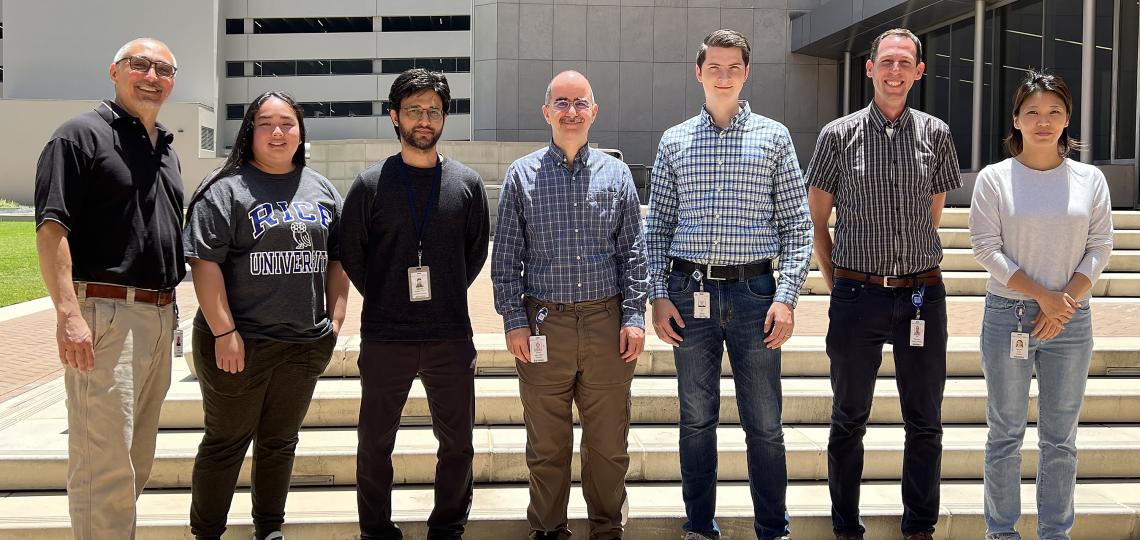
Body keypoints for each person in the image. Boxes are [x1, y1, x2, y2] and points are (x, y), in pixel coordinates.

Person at [644, 29, 812, 540]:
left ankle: (773, 529)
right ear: (698, 73)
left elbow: (798, 226)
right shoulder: (674, 141)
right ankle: (699, 526)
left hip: (755, 293)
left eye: (733, 67)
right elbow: (658, 228)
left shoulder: (774, 137)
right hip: (688, 291)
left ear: (746, 72)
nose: (723, 76)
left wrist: (786, 298)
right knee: (696, 419)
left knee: (764, 423)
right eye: (714, 67)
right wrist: (657, 295)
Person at [804, 28, 962, 540]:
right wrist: (839, 283)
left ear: (919, 72)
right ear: (870, 68)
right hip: (858, 295)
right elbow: (817, 220)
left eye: (905, 63)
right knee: (849, 416)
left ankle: (919, 526)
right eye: (887, 62)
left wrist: (907, 268)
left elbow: (931, 215)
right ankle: (846, 525)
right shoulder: (837, 135)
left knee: (925, 419)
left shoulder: (937, 134)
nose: (895, 71)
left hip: (921, 295)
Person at [34, 37, 184, 539]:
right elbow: (51, 229)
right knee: (104, 464)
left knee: (136, 458)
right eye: (139, 65)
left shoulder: (166, 148)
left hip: (159, 317)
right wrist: (68, 314)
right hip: (105, 314)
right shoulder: (79, 136)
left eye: (164, 69)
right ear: (114, 71)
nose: (152, 76)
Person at [183, 91, 348, 540]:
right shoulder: (225, 188)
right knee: (226, 442)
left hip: (303, 345)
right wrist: (224, 331)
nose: (278, 132)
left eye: (287, 123)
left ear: (300, 132)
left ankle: (269, 529)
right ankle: (207, 533)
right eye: (266, 124)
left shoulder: (321, 188)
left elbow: (338, 259)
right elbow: (204, 263)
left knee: (280, 442)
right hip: (239, 343)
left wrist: (334, 322)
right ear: (249, 132)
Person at [491, 70, 648, 540]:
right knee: (546, 446)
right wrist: (514, 321)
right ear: (546, 112)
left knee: (608, 446)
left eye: (580, 103)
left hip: (606, 325)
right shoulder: (522, 176)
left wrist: (634, 316)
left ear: (594, 112)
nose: (571, 111)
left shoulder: (617, 175)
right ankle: (548, 529)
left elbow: (633, 254)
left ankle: (607, 528)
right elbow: (506, 259)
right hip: (544, 326)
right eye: (561, 102)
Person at [340, 68, 490, 540]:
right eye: (413, 110)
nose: (424, 120)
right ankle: (376, 530)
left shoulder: (466, 184)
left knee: (457, 443)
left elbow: (474, 254)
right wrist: (386, 294)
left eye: (433, 111)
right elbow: (353, 254)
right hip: (385, 336)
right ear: (394, 116)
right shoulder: (370, 185)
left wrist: (443, 290)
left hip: (450, 334)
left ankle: (447, 528)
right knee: (375, 443)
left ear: (444, 118)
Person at [969, 71, 1112, 540]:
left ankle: (1054, 532)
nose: (1043, 121)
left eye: (1054, 112)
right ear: (1016, 119)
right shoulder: (995, 179)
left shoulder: (1090, 179)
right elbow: (986, 248)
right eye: (1032, 112)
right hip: (1008, 316)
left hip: (1071, 321)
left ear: (1067, 118)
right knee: (1005, 433)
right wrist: (1042, 298)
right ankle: (1001, 532)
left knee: (1060, 438)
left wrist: (1062, 303)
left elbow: (1100, 246)